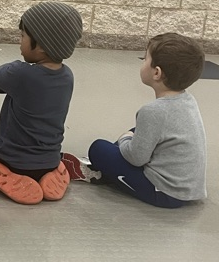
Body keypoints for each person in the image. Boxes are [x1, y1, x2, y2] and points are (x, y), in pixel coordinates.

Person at [0, 1, 83, 205]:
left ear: (41, 45)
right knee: (46, 155)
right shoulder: (67, 76)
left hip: (15, 162)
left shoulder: (21, 73)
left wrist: (19, 65)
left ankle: (12, 178)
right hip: (49, 159)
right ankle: (53, 173)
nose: (19, 42)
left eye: (23, 36)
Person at [69, 32, 206, 208]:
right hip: (189, 189)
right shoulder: (188, 100)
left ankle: (101, 170)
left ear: (156, 72)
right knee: (137, 131)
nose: (142, 62)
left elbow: (136, 159)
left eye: (144, 58)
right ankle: (109, 164)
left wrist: (124, 138)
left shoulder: (153, 111)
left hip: (165, 193)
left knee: (98, 148)